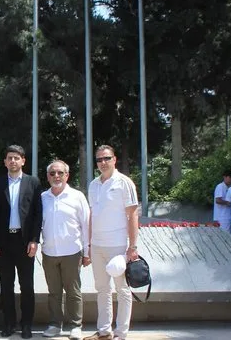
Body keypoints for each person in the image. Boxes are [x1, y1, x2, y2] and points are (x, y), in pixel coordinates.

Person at [0, 144, 42, 338]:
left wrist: (35, 240)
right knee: (7, 285)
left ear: (23, 161)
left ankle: (26, 324)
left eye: (16, 158)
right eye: (9, 158)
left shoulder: (33, 182)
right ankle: (9, 324)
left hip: (25, 241)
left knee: (27, 285)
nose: (13, 161)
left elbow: (37, 214)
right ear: (5, 162)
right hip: (3, 242)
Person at [85, 145, 138, 340]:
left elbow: (133, 215)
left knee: (123, 290)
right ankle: (104, 331)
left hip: (118, 246)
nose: (103, 163)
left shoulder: (125, 183)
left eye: (106, 158)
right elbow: (92, 216)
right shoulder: (93, 185)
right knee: (102, 290)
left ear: (114, 159)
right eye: (99, 160)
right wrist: (89, 245)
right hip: (97, 245)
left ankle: (121, 334)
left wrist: (133, 247)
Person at [39, 160, 89, 340]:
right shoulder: (43, 198)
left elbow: (86, 225)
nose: (56, 176)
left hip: (72, 252)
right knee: (54, 292)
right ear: (47, 177)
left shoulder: (77, 196)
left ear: (67, 175)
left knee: (73, 291)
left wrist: (87, 252)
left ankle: (75, 326)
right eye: (52, 173)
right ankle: (55, 324)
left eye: (60, 173)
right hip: (49, 252)